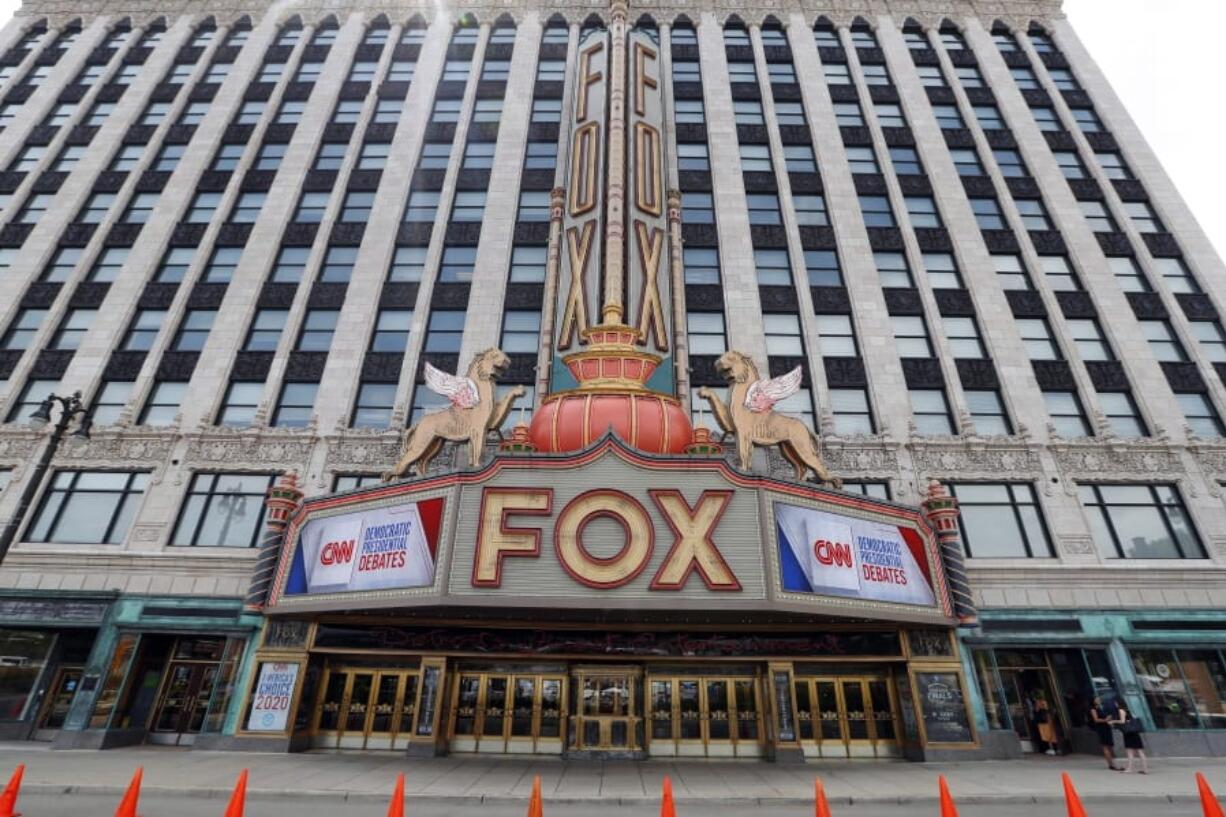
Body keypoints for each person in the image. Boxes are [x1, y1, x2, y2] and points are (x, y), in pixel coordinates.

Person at [1114, 702, 1149, 774]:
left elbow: (1122, 721)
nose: (1115, 704)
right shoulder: (1128, 710)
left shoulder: (1121, 710)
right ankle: (1145, 769)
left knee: (1130, 751)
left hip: (1129, 733)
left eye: (1115, 703)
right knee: (1140, 751)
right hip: (1135, 733)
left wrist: (1113, 721)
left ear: (1118, 703)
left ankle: (1130, 768)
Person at [1089, 696, 1120, 770]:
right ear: (1093, 701)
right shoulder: (1093, 709)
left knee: (1110, 746)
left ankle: (1113, 763)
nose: (1099, 700)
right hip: (1101, 729)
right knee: (1105, 746)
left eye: (1099, 699)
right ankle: (1111, 764)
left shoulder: (1101, 708)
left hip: (1106, 727)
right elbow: (1096, 720)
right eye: (1097, 699)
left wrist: (1109, 720)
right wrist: (1105, 720)